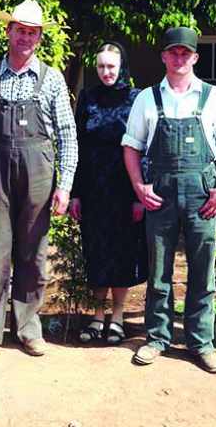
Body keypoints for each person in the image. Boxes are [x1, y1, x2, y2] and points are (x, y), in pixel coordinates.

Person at [0, 0, 78, 363]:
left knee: (33, 253)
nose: (25, 37)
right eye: (20, 30)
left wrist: (65, 184)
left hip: (39, 172)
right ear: (9, 31)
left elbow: (67, 134)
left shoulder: (52, 79)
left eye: (32, 32)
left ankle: (27, 328)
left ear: (39, 37)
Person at [122, 27, 216, 373]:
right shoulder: (147, 98)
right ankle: (157, 338)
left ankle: (200, 342)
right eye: (173, 52)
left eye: (185, 53)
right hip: (161, 195)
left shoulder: (212, 97)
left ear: (195, 58)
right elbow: (131, 147)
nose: (179, 58)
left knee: (202, 272)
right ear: (163, 56)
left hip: (203, 197)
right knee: (159, 271)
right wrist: (139, 187)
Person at [69, 42, 147, 345]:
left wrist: (139, 194)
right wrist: (75, 192)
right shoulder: (87, 98)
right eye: (101, 67)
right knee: (97, 252)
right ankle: (97, 315)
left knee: (122, 253)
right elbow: (78, 146)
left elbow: (144, 147)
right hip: (93, 189)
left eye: (111, 67)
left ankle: (117, 316)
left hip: (125, 186)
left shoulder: (136, 99)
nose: (106, 72)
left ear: (122, 67)